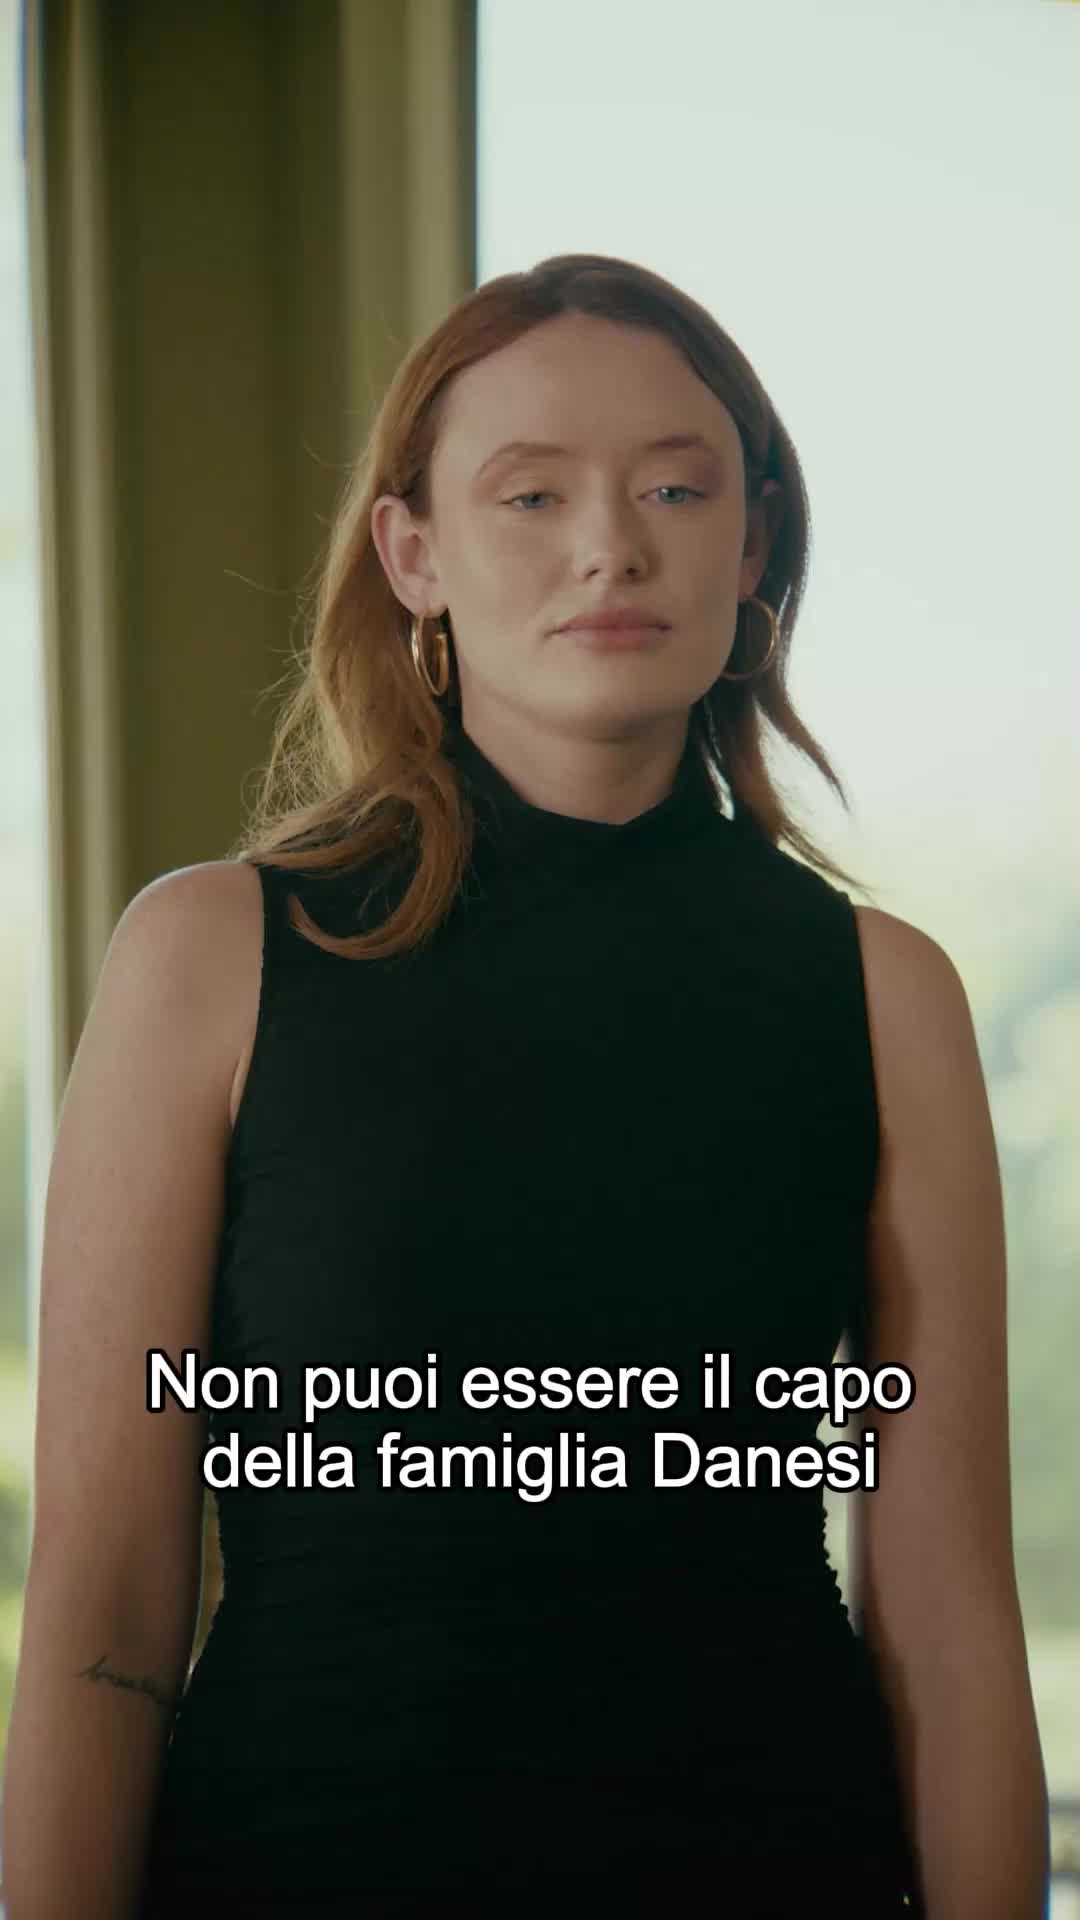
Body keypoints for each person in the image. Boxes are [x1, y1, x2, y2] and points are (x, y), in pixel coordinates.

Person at [1, 254, 1048, 1920]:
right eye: (533, 492)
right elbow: (105, 1608)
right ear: (413, 554)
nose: (610, 546)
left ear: (754, 546)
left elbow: (949, 1621)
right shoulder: (208, 959)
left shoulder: (881, 992)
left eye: (677, 489)